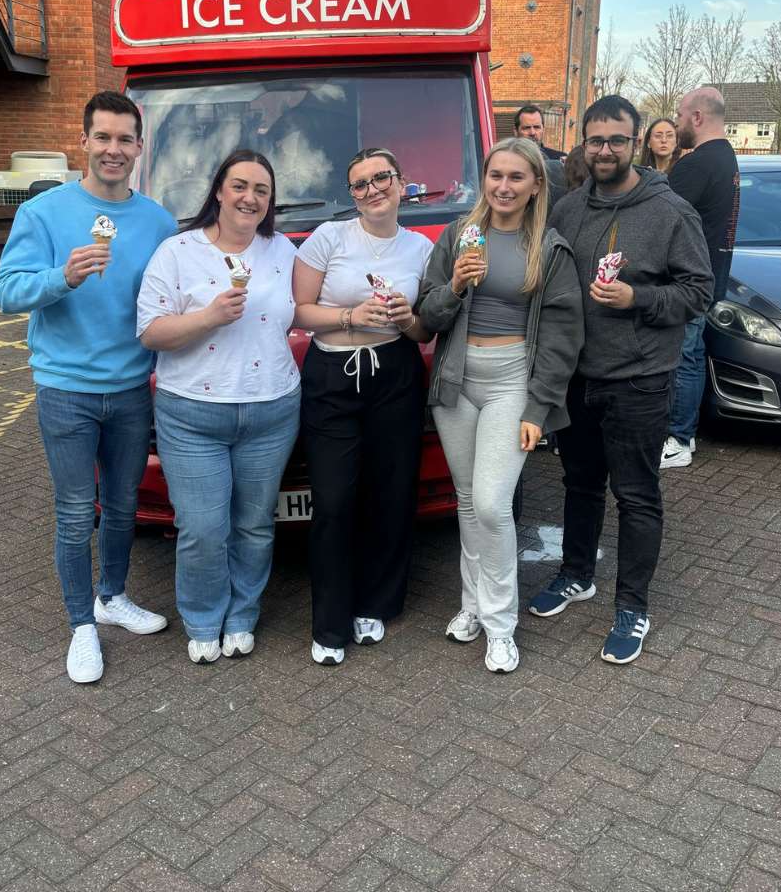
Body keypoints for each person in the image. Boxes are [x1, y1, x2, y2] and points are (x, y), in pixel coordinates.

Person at [0, 91, 177, 684]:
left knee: (123, 507)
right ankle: (81, 626)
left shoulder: (157, 220)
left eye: (125, 139)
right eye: (103, 137)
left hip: (130, 388)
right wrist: (60, 277)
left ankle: (111, 597)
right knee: (76, 513)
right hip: (65, 388)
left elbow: (167, 300)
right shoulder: (44, 213)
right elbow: (5, 292)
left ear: (139, 148)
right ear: (85, 142)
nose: (114, 149)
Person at [528, 95, 713, 664]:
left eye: (616, 140)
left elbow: (700, 292)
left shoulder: (669, 211)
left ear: (635, 144)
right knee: (579, 485)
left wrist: (639, 298)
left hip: (639, 379)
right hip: (577, 376)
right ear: (583, 143)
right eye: (596, 140)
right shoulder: (567, 209)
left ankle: (633, 606)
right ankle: (577, 573)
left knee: (636, 495)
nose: (605, 150)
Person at [418, 137, 583, 673]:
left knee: (492, 503)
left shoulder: (550, 248)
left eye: (517, 177)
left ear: (537, 184)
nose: (504, 187)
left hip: (512, 380)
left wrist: (539, 408)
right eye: (496, 176)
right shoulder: (459, 236)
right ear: (483, 180)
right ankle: (471, 606)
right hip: (457, 382)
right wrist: (456, 287)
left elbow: (562, 335)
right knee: (467, 500)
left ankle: (500, 623)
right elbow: (427, 314)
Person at [137, 151, 300, 665]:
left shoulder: (283, 252)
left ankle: (243, 616)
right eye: (240, 185)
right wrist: (208, 317)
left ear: (270, 202)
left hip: (272, 410)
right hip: (193, 415)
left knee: (254, 524)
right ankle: (204, 618)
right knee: (203, 528)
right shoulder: (177, 252)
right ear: (219, 191)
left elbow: (308, 310)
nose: (249, 197)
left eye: (261, 190)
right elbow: (150, 332)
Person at [293, 147, 433, 666]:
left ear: (401, 184)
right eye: (360, 183)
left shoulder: (420, 249)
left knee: (391, 494)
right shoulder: (330, 237)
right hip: (333, 373)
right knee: (332, 501)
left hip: (394, 371)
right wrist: (351, 314)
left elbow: (425, 327)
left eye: (382, 178)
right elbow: (301, 310)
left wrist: (404, 319)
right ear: (350, 194)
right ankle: (330, 622)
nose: (373, 189)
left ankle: (376, 604)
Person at [661, 87, 740, 470]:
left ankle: (678, 438)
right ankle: (682, 434)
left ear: (696, 117)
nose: (676, 123)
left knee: (684, 355)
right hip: (711, 274)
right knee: (690, 353)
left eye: (679, 115)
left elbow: (662, 216)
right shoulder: (727, 158)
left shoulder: (697, 164)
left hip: (687, 279)